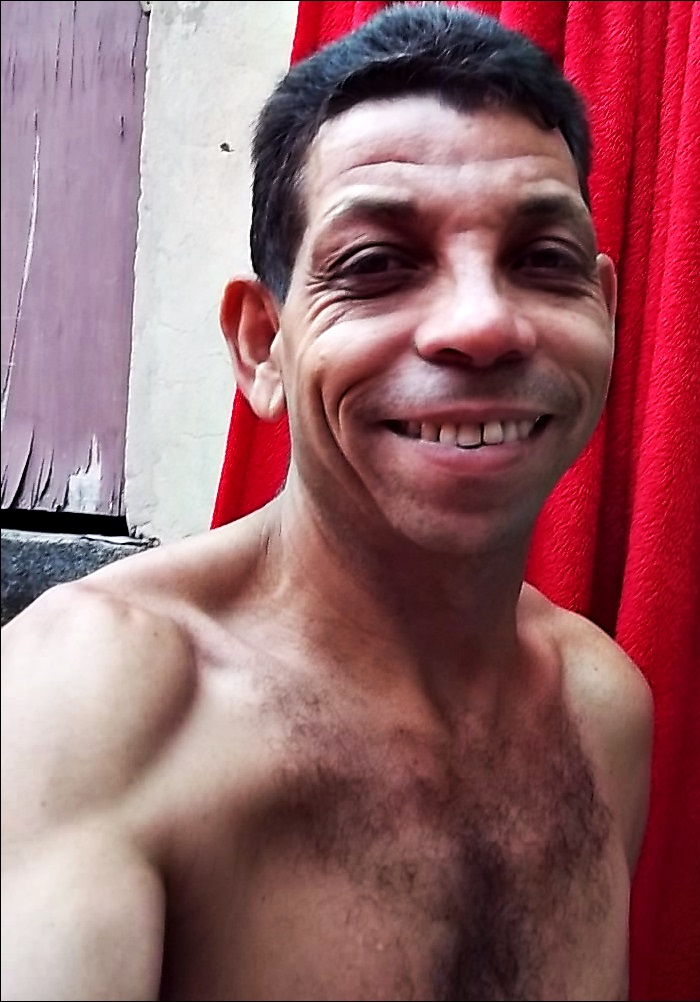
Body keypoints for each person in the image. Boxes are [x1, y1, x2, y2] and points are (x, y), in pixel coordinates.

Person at [1, 3, 653, 999]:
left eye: (542, 262)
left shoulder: (600, 710)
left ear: (601, 312)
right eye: (377, 266)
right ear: (262, 345)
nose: (482, 324)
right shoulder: (90, 706)